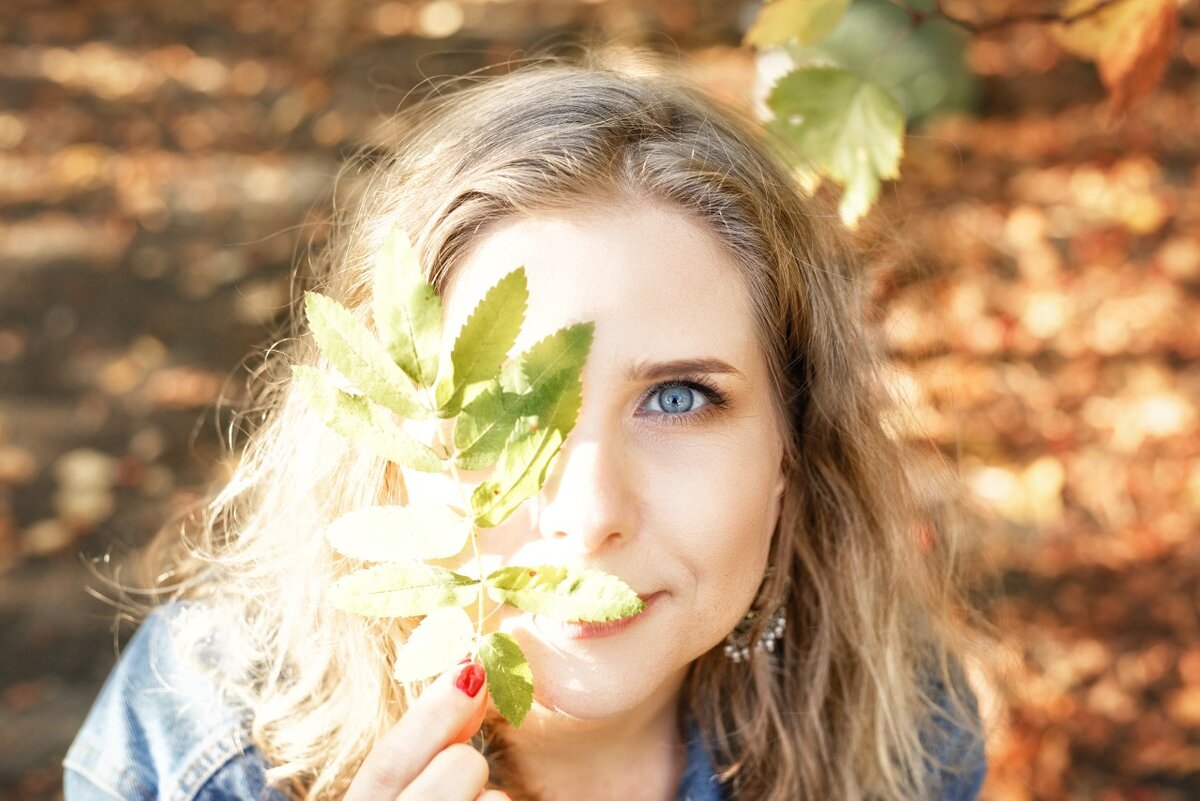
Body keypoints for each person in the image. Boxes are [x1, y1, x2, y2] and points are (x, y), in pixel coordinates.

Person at [64, 46, 989, 801]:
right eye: (498, 405)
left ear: (790, 456)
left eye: (677, 398)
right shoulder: (200, 737)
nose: (589, 514)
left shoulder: (906, 736)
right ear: (380, 449)